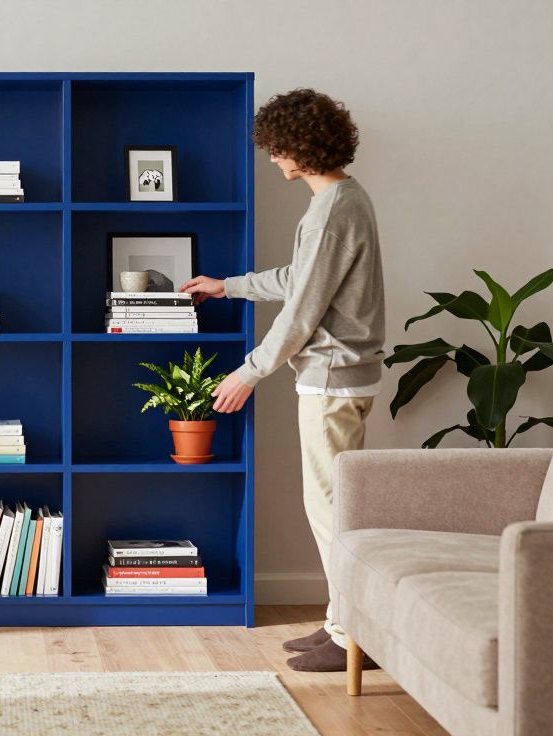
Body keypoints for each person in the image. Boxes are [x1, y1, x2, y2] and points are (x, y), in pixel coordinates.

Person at [181, 88, 385, 672]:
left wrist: (249, 371)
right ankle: (340, 624)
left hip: (330, 379)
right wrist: (230, 284)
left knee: (329, 509)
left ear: (301, 146)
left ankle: (351, 637)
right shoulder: (344, 200)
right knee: (334, 504)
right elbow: (301, 280)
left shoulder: (332, 210)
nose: (272, 160)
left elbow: (302, 312)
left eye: (276, 149)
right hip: (344, 376)